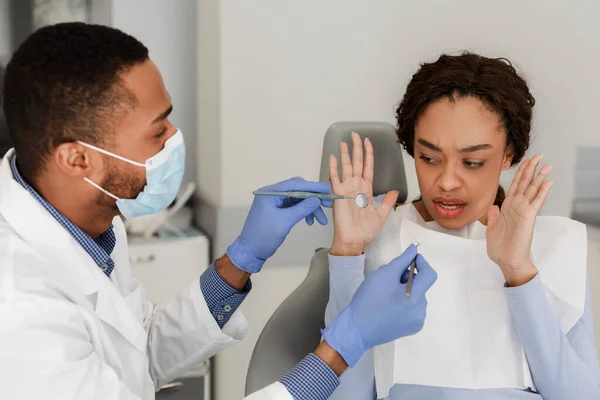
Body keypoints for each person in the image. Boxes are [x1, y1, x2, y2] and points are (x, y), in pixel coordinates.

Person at [0, 22, 437, 400]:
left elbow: (142, 351)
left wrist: (241, 258)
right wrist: (342, 347)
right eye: (157, 132)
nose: (175, 138)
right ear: (78, 160)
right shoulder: (21, 312)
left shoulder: (87, 224)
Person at [324, 53, 600, 399]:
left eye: (472, 162)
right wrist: (348, 254)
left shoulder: (555, 245)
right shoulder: (379, 242)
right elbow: (342, 395)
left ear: (508, 155)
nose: (447, 181)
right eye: (429, 158)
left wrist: (519, 273)